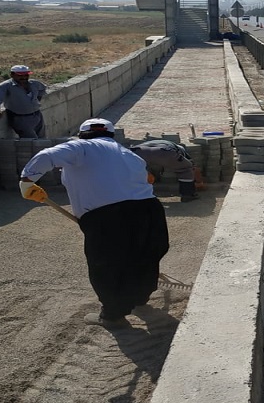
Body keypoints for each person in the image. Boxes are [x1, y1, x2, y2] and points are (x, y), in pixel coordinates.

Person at [18, 118, 169, 329]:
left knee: (106, 264)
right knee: (144, 256)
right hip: (149, 210)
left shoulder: (80, 147)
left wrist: (26, 181)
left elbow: (47, 155)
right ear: (111, 135)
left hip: (107, 216)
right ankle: (138, 299)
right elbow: (147, 179)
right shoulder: (129, 155)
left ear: (82, 134)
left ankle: (113, 316)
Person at [0, 65, 48, 138]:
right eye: (20, 76)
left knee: (42, 139)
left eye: (26, 75)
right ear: (12, 75)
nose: (24, 77)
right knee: (31, 140)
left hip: (37, 115)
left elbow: (42, 89)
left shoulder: (34, 83)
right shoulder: (6, 86)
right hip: (20, 118)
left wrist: (36, 101)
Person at [131, 139, 200, 202]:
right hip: (163, 151)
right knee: (185, 168)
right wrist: (199, 182)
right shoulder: (179, 150)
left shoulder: (155, 142)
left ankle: (135, 195)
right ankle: (187, 195)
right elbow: (191, 166)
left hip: (137, 152)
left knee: (134, 171)